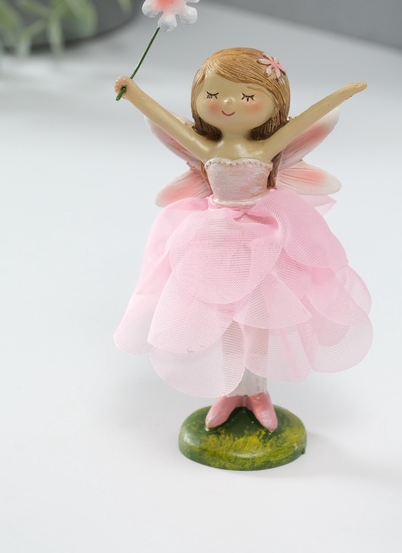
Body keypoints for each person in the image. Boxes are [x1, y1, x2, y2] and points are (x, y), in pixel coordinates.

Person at [114, 47, 372, 432]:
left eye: (248, 96)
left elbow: (307, 121)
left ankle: (258, 392)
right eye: (213, 95)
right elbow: (165, 121)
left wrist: (342, 94)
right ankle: (229, 390)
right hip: (214, 240)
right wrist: (134, 93)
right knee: (220, 317)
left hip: (265, 240)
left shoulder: (265, 149)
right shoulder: (208, 150)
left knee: (262, 318)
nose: (228, 104)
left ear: (274, 104)